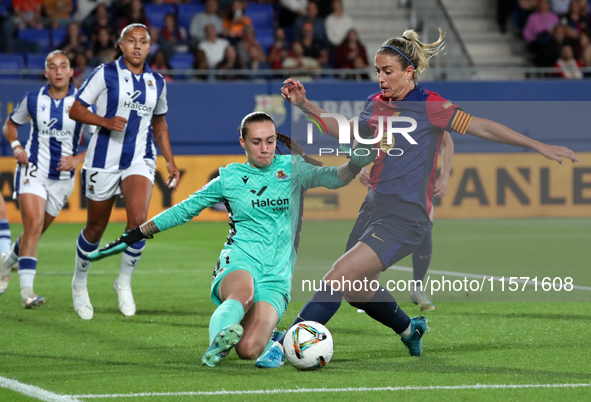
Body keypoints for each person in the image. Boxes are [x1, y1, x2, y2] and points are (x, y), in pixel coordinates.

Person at [256, 28, 579, 368]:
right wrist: (305, 104)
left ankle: (286, 343)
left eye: (387, 71)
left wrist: (537, 145)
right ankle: (410, 329)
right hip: (373, 207)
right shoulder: (375, 104)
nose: (380, 78)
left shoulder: (431, 105)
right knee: (354, 290)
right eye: (378, 71)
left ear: (409, 72)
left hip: (406, 215)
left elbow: (482, 126)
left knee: (337, 278)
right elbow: (348, 131)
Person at [86, 111, 375, 367]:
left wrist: (353, 165)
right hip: (240, 259)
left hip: (277, 274)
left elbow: (333, 177)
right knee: (242, 294)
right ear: (243, 143)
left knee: (249, 350)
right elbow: (184, 210)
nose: (265, 149)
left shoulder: (294, 169)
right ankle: (216, 343)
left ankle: (249, 331)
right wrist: (134, 234)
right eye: (257, 142)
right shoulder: (230, 177)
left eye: (271, 141)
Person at [68, 23, 180, 320]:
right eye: (132, 41)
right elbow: (76, 109)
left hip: (140, 158)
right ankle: (79, 283)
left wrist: (169, 160)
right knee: (95, 228)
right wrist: (104, 122)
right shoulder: (105, 73)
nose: (138, 46)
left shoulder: (157, 81)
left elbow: (160, 124)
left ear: (150, 46)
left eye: (143, 41)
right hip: (102, 159)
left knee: (139, 222)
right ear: (121, 44)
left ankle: (124, 282)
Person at [0, 50, 89, 308]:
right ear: (46, 72)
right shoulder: (33, 99)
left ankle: (6, 263)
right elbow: (10, 125)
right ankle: (28, 293)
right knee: (34, 224)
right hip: (33, 170)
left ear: (71, 71)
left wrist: (77, 159)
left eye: (63, 66)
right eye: (53, 67)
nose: (58, 71)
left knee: (34, 232)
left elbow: (99, 139)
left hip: (63, 180)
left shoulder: (83, 103)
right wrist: (16, 146)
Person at [358, 131, 453, 311]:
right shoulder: (380, 106)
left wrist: (444, 176)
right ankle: (368, 292)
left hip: (419, 184)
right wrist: (360, 165)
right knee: (376, 235)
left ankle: (417, 288)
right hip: (386, 184)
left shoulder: (427, 108)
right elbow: (360, 133)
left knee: (425, 232)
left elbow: (446, 141)